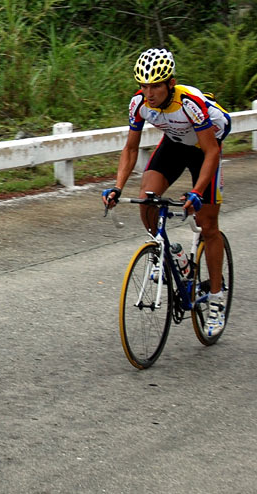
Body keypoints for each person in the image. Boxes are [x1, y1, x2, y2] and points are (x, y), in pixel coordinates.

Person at [102, 47, 231, 337]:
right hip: (174, 145)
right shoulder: (139, 103)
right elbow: (131, 148)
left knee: (207, 225)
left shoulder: (190, 102)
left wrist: (197, 192)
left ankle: (215, 297)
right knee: (147, 199)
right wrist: (117, 187)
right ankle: (174, 257)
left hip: (204, 148)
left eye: (156, 85)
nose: (149, 92)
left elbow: (211, 151)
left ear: (170, 83)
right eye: (144, 85)